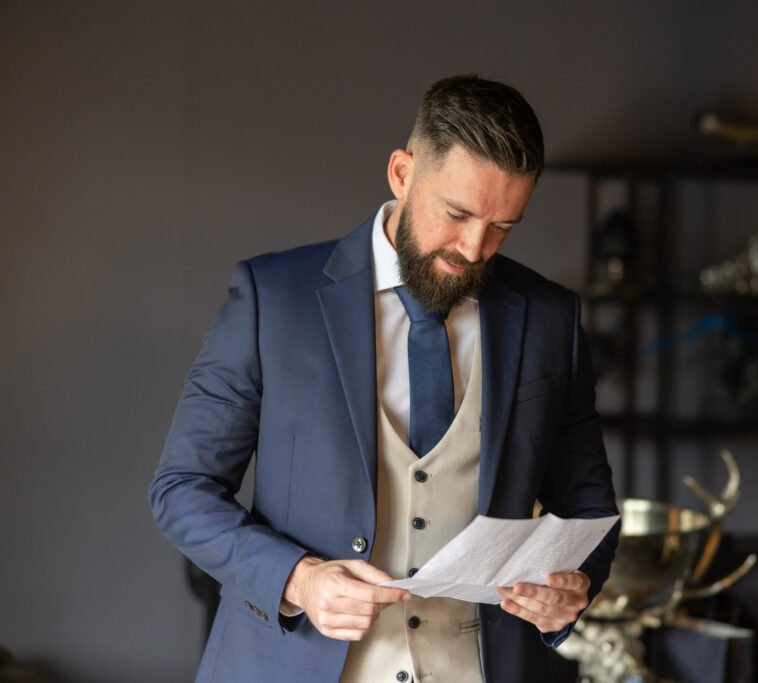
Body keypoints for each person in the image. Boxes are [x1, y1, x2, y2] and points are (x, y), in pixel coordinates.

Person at [149, 74, 618, 683]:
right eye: (457, 214)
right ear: (402, 173)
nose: (476, 248)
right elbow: (182, 487)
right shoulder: (275, 298)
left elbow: (589, 510)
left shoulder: (551, 318)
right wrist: (300, 579)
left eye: (503, 227)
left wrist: (571, 591)